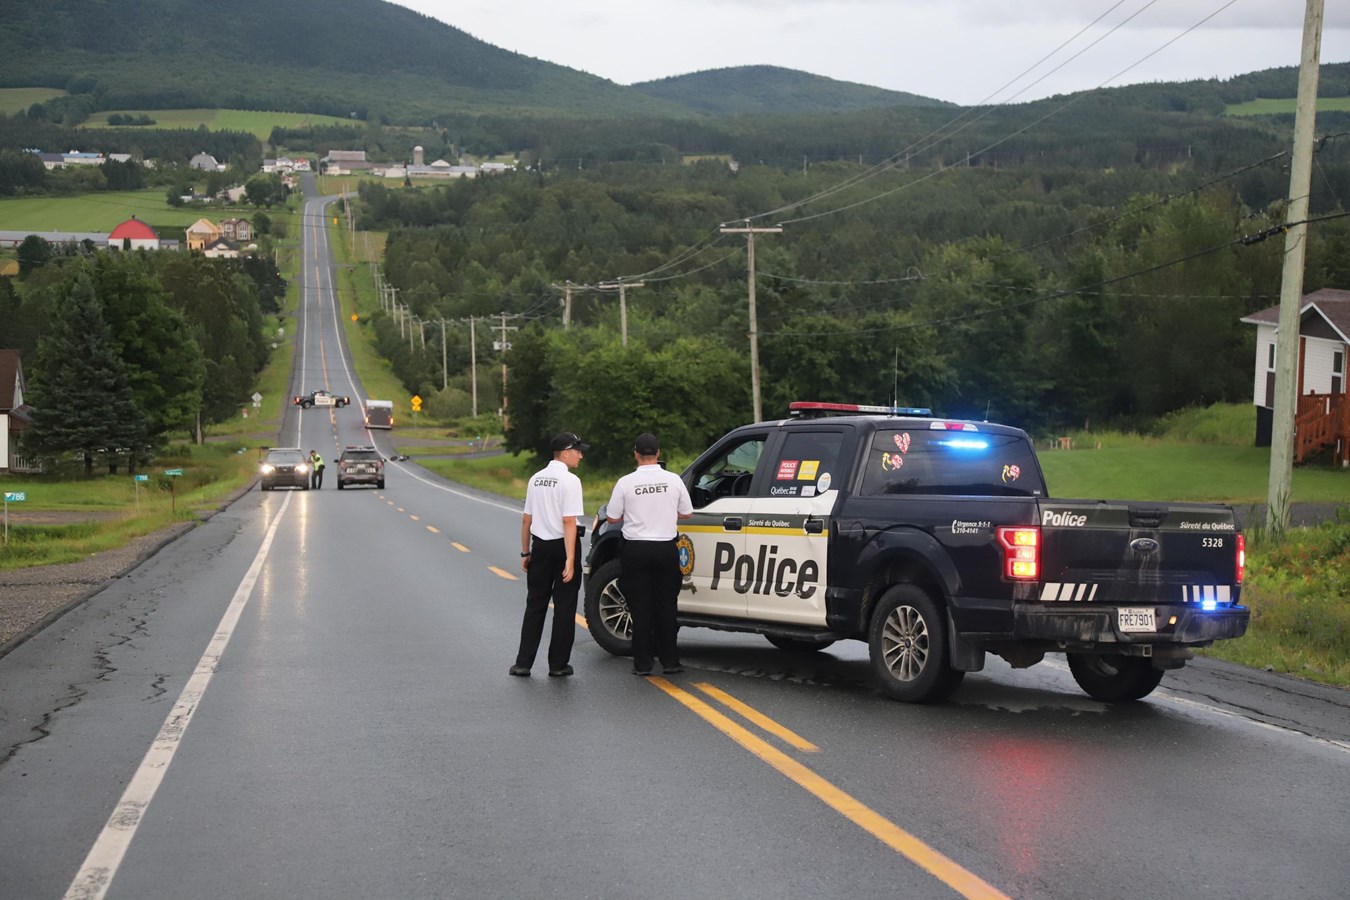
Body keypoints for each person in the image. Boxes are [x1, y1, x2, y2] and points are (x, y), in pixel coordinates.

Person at [606, 433, 693, 676]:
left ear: (635, 454)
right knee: (667, 607)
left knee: (640, 607)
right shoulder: (673, 480)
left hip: (635, 549)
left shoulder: (625, 482)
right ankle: (670, 661)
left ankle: (642, 663)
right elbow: (687, 513)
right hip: (666, 548)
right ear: (659, 453)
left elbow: (612, 517)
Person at [511, 431, 589, 677]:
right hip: (563, 545)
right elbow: (568, 521)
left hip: (540, 546)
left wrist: (525, 552)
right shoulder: (570, 481)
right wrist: (570, 558)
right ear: (565, 452)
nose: (581, 456)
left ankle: (523, 663)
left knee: (535, 604)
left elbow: (527, 519)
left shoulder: (536, 478)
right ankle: (558, 664)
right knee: (565, 607)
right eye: (578, 451)